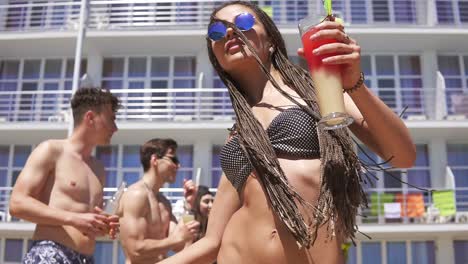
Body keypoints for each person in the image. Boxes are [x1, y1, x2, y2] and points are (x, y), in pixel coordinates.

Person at [161, 1, 416, 264]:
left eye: (243, 23)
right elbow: (211, 242)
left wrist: (355, 86)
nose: (228, 32)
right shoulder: (238, 135)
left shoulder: (320, 93)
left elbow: (403, 157)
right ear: (217, 59)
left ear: (271, 39)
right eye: (216, 32)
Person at [9, 87, 120, 263]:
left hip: (85, 258)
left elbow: (85, 223)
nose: (115, 128)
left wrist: (103, 226)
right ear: (90, 117)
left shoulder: (98, 168)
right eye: (111, 119)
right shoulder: (51, 150)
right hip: (50, 254)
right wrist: (75, 219)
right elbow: (17, 204)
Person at [117, 138, 200, 264]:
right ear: (154, 160)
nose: (178, 166)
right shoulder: (136, 195)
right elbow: (135, 249)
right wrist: (175, 239)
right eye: (173, 159)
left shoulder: (164, 202)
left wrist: (189, 205)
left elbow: (180, 244)